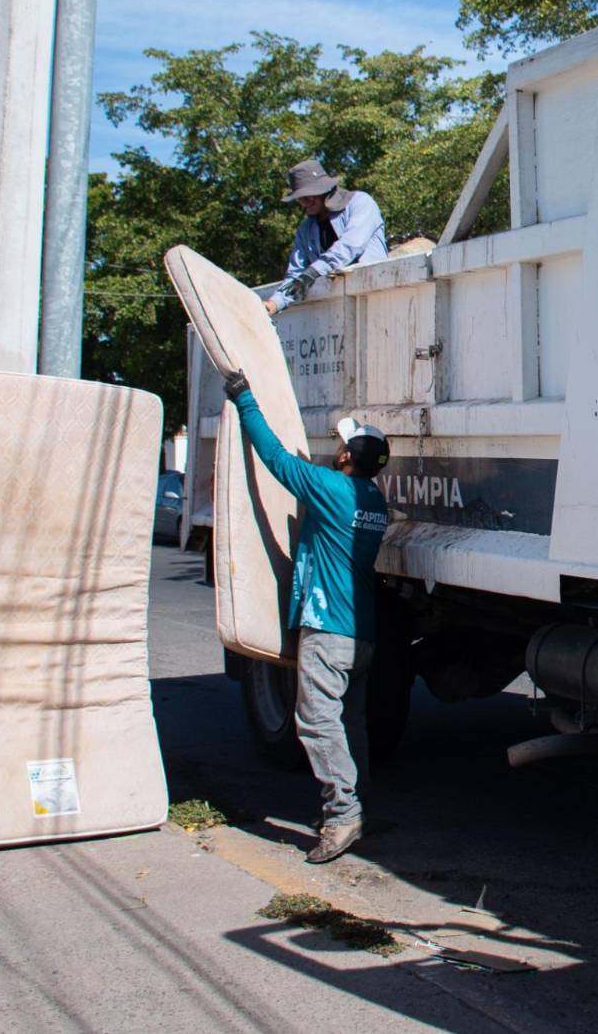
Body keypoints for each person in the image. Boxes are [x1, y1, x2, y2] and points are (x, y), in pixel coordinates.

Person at [221, 367, 391, 863]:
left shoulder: (331, 490)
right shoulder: (373, 501)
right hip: (362, 634)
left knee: (317, 723)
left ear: (344, 456)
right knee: (349, 724)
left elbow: (272, 457)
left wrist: (244, 400)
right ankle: (361, 807)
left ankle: (342, 816)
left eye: (340, 445)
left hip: (328, 630)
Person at [265, 159, 389, 317]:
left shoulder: (360, 203)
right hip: (336, 312)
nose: (303, 202)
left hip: (376, 296)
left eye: (307, 196)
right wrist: (274, 303)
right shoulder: (305, 230)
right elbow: (296, 274)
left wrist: (314, 271)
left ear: (323, 189)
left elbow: (350, 246)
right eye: (299, 198)